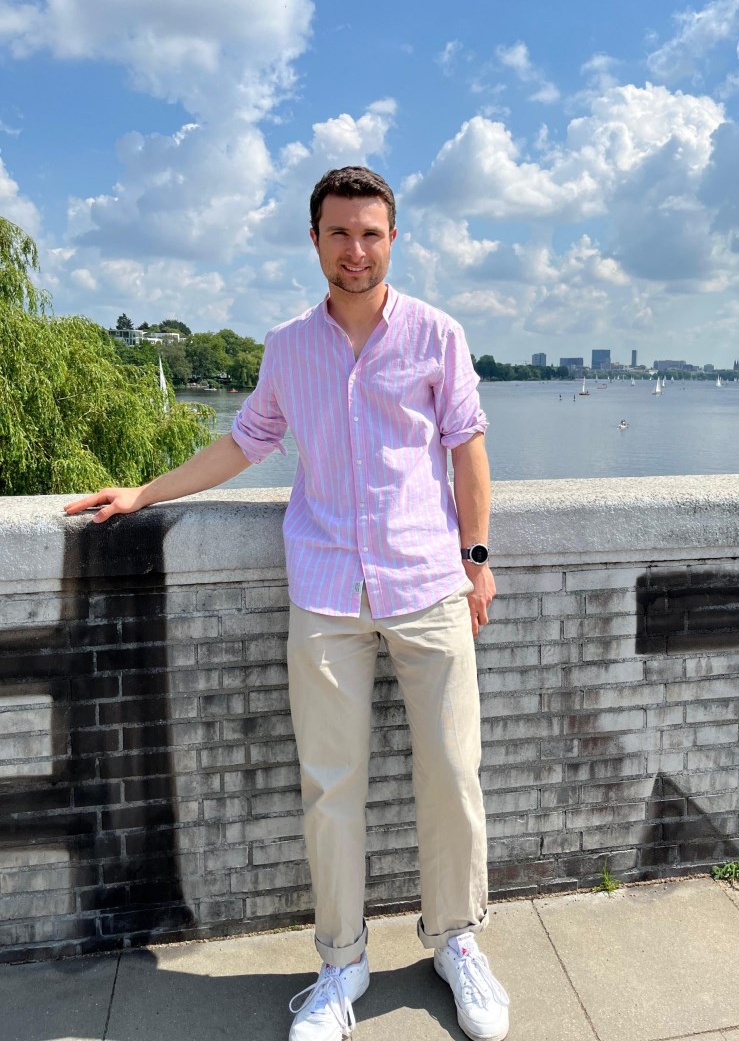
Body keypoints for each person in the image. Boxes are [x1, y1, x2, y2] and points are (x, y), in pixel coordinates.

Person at [65, 166, 509, 1041]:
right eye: (339, 233)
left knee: (454, 775)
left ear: (393, 238)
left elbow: (467, 447)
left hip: (428, 583)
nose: (355, 250)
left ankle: (456, 939)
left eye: (371, 233)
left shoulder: (437, 334)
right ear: (314, 240)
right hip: (328, 590)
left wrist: (478, 556)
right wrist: (143, 493)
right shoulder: (288, 346)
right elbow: (244, 442)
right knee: (330, 787)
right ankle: (342, 962)